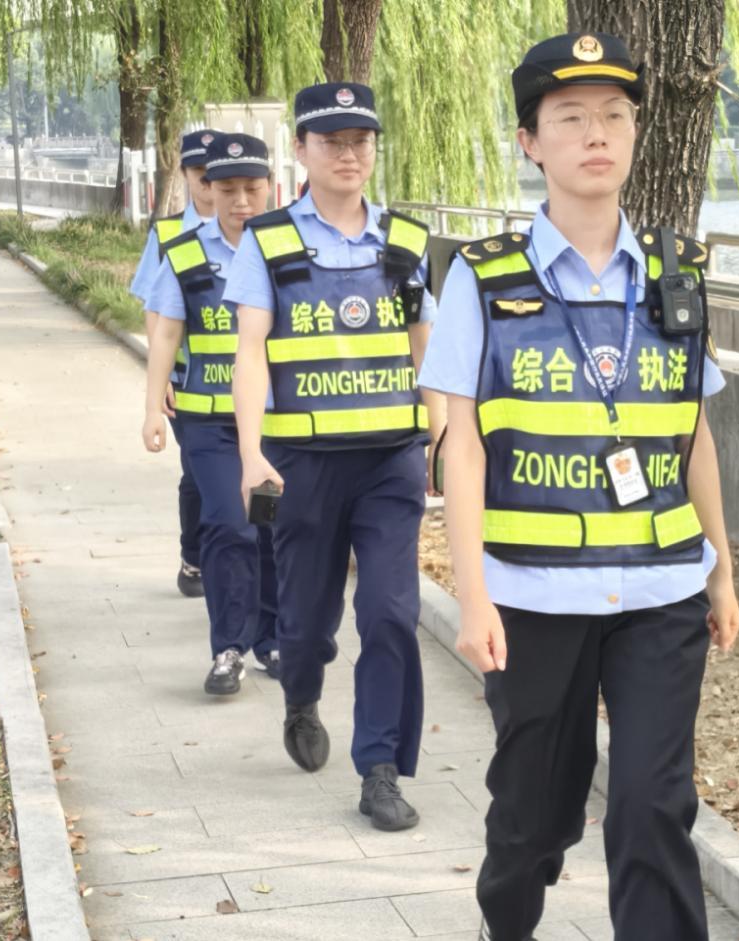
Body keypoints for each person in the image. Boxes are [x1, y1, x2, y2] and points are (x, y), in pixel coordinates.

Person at [418, 33, 739, 941]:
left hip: (661, 591)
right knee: (534, 816)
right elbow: (462, 448)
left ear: (636, 133)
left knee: (652, 804)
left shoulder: (677, 276)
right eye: (569, 118)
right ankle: (507, 925)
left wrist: (722, 570)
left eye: (614, 115)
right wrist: (472, 595)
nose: (595, 134)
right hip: (533, 596)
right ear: (531, 141)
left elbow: (692, 433)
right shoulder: (483, 279)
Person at [226, 82, 443, 831]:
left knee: (389, 611)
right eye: (331, 141)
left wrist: (442, 438)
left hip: (390, 461)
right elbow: (250, 351)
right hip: (303, 464)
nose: (348, 154)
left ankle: (380, 768)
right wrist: (250, 453)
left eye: (361, 140)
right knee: (307, 618)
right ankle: (301, 694)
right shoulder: (268, 242)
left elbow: (426, 349)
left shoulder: (406, 243)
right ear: (301, 150)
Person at [141, 133, 280, 692]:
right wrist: (152, 406)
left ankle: (273, 639)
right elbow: (165, 332)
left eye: (251, 189)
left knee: (272, 529)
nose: (240, 201)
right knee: (228, 524)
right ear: (208, 190)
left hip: (278, 420)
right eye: (227, 190)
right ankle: (229, 647)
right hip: (209, 421)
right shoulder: (184, 253)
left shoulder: (291, 250)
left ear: (270, 187)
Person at [130, 128, 221, 599]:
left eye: (213, 173)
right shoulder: (168, 235)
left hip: (244, 380)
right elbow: (155, 311)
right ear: (185, 174)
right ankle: (195, 557)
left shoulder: (255, 229)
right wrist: (159, 378)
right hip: (188, 380)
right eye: (198, 172)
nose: (207, 182)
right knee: (198, 470)